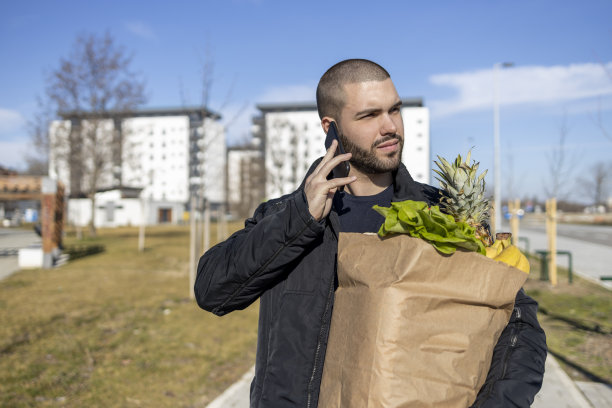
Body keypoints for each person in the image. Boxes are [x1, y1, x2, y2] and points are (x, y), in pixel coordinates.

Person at [195, 59, 547, 408]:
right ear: (330, 127)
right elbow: (212, 291)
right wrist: (302, 218)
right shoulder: (284, 216)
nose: (390, 126)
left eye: (395, 110)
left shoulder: (446, 215)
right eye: (369, 115)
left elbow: (517, 325)